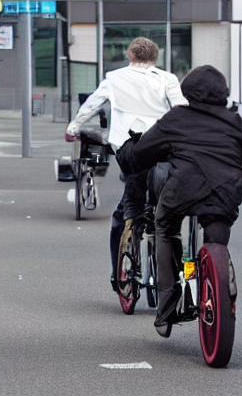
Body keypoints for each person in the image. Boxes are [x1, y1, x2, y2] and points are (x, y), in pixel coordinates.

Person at [116, 65, 242, 338]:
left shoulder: (177, 118)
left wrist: (127, 147)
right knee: (217, 239)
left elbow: (138, 158)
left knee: (164, 225)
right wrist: (233, 180)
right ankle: (221, 280)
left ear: (187, 93)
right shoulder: (233, 121)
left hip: (182, 192)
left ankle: (167, 303)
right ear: (224, 93)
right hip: (225, 193)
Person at [65, 37, 188, 290]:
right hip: (163, 146)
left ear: (130, 55)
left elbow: (92, 104)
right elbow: (180, 107)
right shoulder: (168, 79)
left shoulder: (115, 78)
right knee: (162, 200)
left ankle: (119, 272)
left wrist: (74, 127)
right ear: (155, 57)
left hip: (129, 149)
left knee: (126, 210)